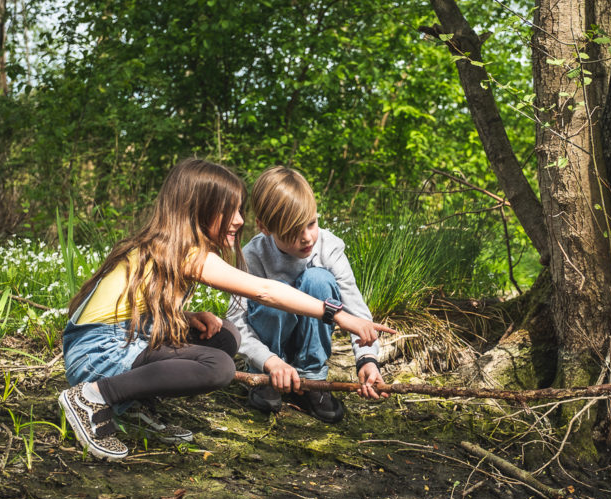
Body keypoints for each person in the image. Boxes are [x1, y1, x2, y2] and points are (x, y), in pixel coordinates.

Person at [58, 159, 394, 461]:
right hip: (99, 353)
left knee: (224, 338)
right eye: (230, 211)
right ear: (199, 211)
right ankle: (92, 396)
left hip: (117, 340)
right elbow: (265, 291)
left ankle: (136, 403)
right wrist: (338, 315)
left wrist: (185, 317)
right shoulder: (187, 252)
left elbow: (129, 308)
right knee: (218, 367)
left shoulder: (169, 248)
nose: (239, 220)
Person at [227, 166, 387, 424]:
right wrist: (268, 361)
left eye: (312, 223)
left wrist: (368, 361)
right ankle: (265, 383)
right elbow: (236, 321)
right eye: (293, 231)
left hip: (309, 348)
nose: (307, 237)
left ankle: (311, 379)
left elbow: (355, 311)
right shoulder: (253, 256)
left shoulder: (328, 248)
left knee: (319, 279)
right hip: (269, 358)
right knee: (272, 292)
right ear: (265, 227)